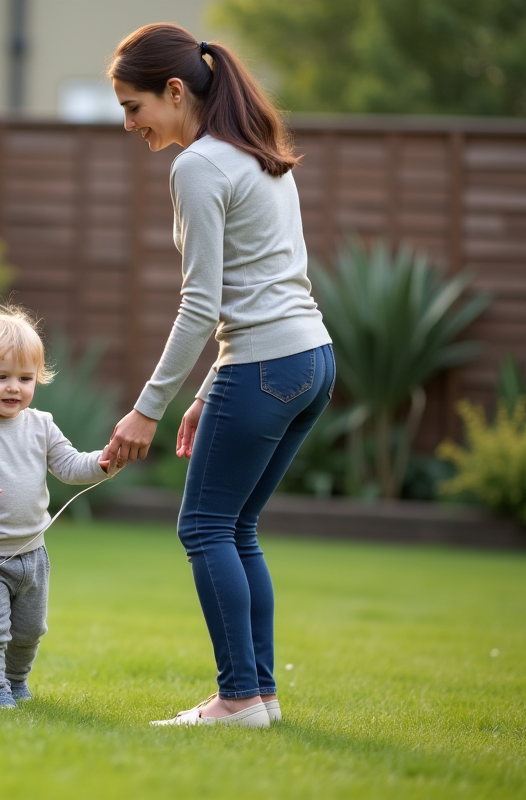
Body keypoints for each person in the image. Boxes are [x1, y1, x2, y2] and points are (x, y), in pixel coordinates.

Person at [101, 24, 335, 727]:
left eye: (133, 106)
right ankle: (256, 698)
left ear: (175, 92)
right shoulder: (258, 154)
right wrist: (207, 391)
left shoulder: (200, 164)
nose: (128, 124)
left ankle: (238, 699)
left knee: (206, 528)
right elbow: (258, 287)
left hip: (266, 362)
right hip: (309, 358)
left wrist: (147, 409)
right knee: (238, 529)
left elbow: (202, 305)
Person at [0, 305, 111, 708]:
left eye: (25, 378)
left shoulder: (41, 425)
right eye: (2, 377)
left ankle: (15, 681)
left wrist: (103, 461)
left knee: (30, 630)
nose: (14, 388)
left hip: (34, 555)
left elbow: (69, 465)